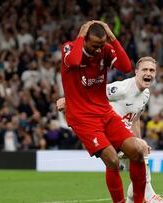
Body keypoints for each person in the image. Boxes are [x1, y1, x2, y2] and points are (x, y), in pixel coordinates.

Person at [58, 57, 163, 203]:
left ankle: (136, 196)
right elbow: (93, 92)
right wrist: (68, 100)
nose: (148, 73)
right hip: (107, 132)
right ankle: (148, 196)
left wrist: (139, 138)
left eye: (152, 70)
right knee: (138, 152)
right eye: (144, 69)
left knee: (140, 155)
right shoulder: (121, 89)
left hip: (124, 136)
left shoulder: (146, 94)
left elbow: (135, 119)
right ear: (136, 72)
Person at [60, 20, 146, 203]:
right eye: (95, 45)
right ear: (83, 39)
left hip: (105, 112)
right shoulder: (69, 48)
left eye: (102, 44)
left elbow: (126, 66)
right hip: (82, 118)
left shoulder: (105, 49)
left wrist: (112, 37)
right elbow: (74, 61)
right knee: (113, 161)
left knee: (137, 151)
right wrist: (81, 34)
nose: (99, 50)